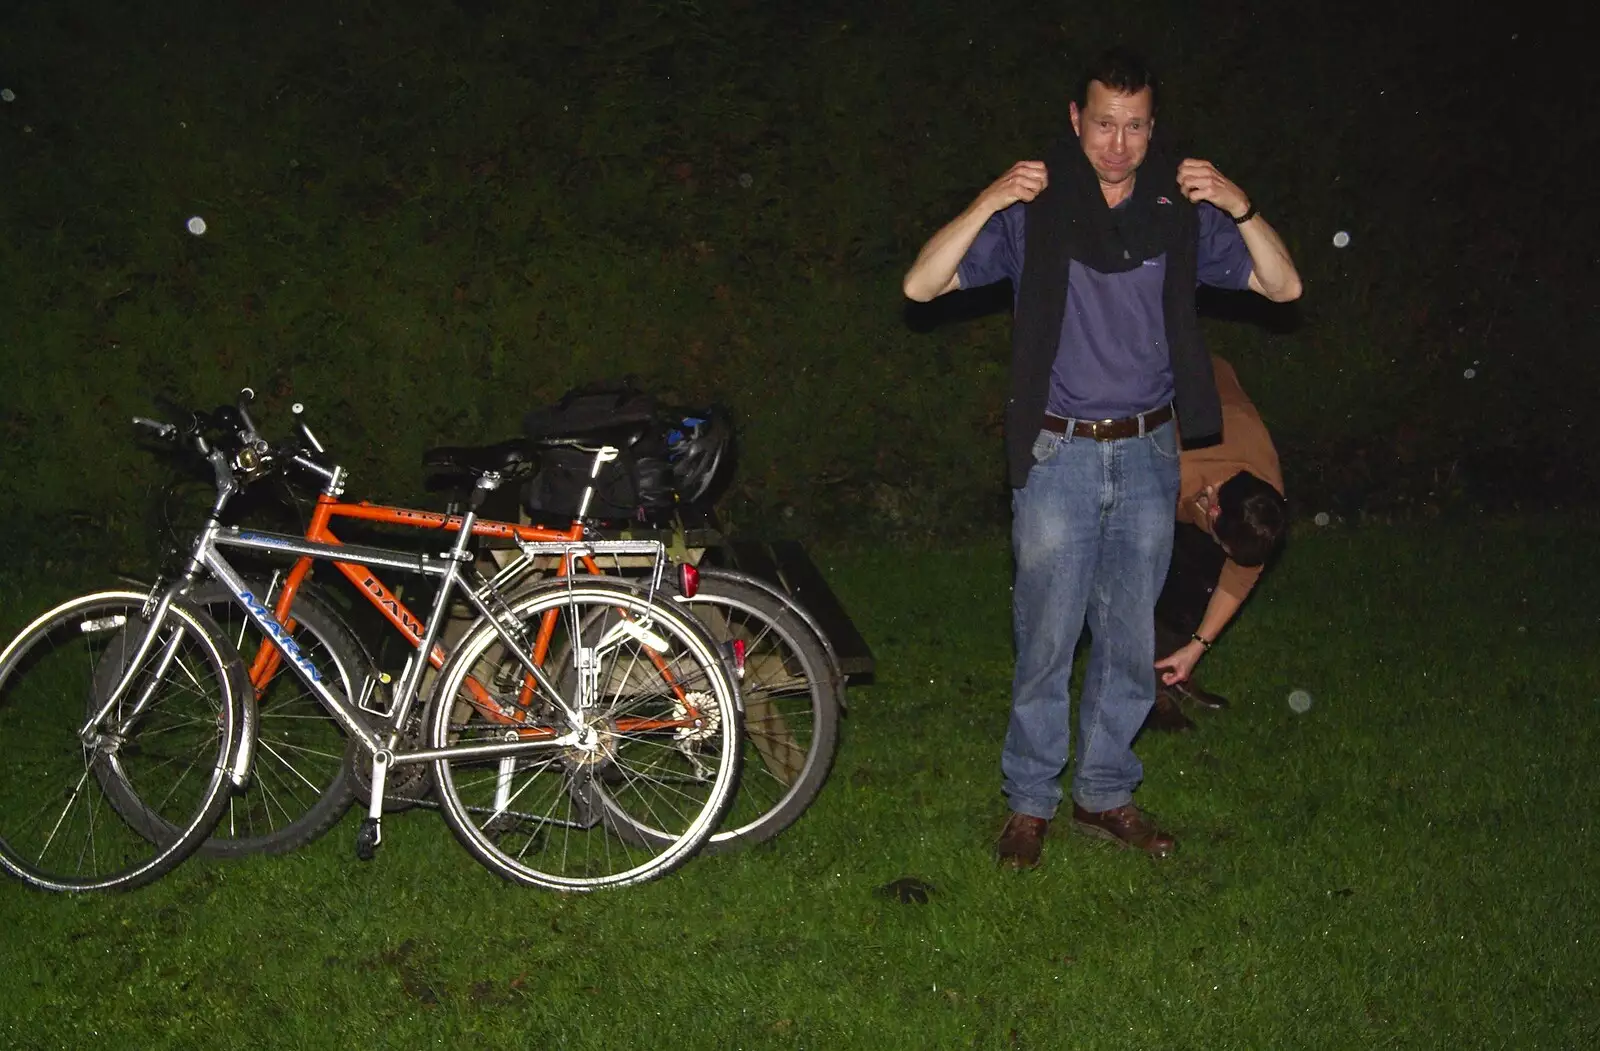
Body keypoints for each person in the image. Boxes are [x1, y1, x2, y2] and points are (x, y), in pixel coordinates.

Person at [902, 47, 1301, 868]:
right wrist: (988, 198)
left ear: (1154, 129)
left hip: (1151, 451)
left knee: (1126, 637)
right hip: (1060, 455)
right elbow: (920, 286)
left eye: (1135, 127)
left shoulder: (1179, 214)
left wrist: (1242, 203)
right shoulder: (1035, 214)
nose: (1117, 144)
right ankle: (1029, 800)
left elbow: (1285, 288)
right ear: (1076, 121)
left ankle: (1107, 792)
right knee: (1044, 635)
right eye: (1104, 125)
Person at [1142, 355, 1288, 734]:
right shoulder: (1173, 474)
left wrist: (1196, 648)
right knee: (1147, 570)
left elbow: (1237, 580)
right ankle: (1144, 688)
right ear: (1213, 504)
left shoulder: (1261, 502)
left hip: (1215, 400)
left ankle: (1173, 665)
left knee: (1203, 575)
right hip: (1154, 391)